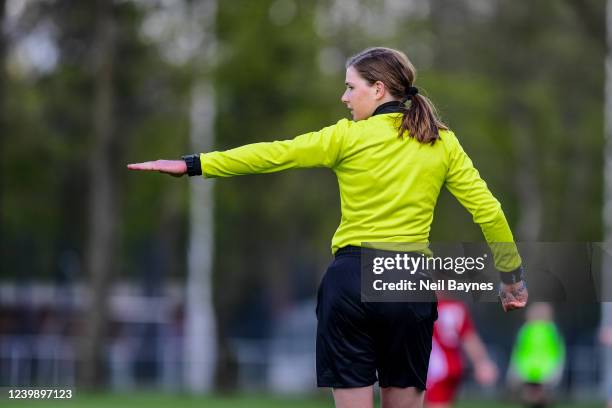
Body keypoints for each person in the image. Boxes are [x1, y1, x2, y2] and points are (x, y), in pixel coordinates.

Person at [128, 47, 528, 408]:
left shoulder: (345, 137)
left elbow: (272, 154)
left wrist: (193, 164)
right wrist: (512, 278)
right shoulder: (441, 142)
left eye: (350, 87)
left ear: (378, 89)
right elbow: (489, 212)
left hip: (351, 280)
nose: (344, 97)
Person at [425, 299, 498, 408]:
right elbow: (469, 337)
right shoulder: (455, 307)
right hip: (451, 366)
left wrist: (482, 362)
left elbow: (468, 337)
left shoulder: (421, 306)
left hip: (436, 369)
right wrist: (482, 362)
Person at [507, 302, 565, 408]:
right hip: (530, 368)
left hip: (542, 369)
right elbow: (518, 349)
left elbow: (559, 351)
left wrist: (557, 368)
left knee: (539, 394)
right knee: (530, 394)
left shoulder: (550, 330)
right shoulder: (527, 330)